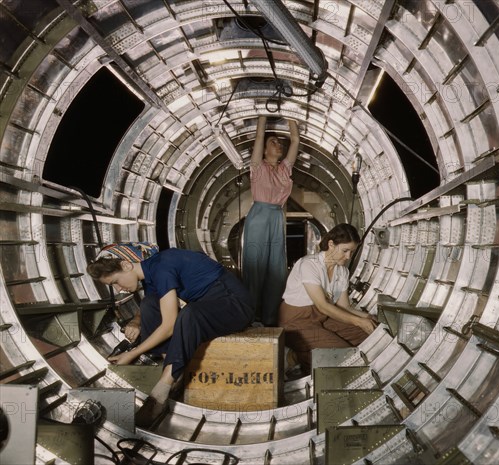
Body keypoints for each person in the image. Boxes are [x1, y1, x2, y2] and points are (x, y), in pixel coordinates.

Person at [87, 243, 254, 427]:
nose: (119, 289)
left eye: (115, 282)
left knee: (190, 314)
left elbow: (169, 326)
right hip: (207, 306)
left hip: (235, 305)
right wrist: (136, 321)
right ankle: (174, 370)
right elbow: (154, 306)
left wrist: (132, 354)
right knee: (149, 304)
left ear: (126, 265)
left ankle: (160, 393)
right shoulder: (151, 273)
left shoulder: (163, 267)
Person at [278, 223, 378, 375]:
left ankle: (304, 352)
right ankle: (293, 357)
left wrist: (369, 318)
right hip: (296, 320)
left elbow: (344, 307)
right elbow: (323, 305)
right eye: (345, 251)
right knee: (340, 353)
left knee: (366, 335)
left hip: (322, 318)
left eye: (352, 252)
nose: (348, 257)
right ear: (331, 244)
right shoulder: (309, 264)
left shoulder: (342, 271)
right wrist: (359, 321)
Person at [243, 116, 299, 326]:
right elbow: (259, 135)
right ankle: (250, 316)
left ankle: (269, 317)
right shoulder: (258, 166)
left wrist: (291, 115)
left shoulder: (285, 169)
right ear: (264, 150)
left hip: (277, 216)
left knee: (276, 268)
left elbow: (294, 140)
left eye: (278, 142)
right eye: (273, 142)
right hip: (259, 216)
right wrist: (263, 115)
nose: (279, 145)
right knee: (255, 266)